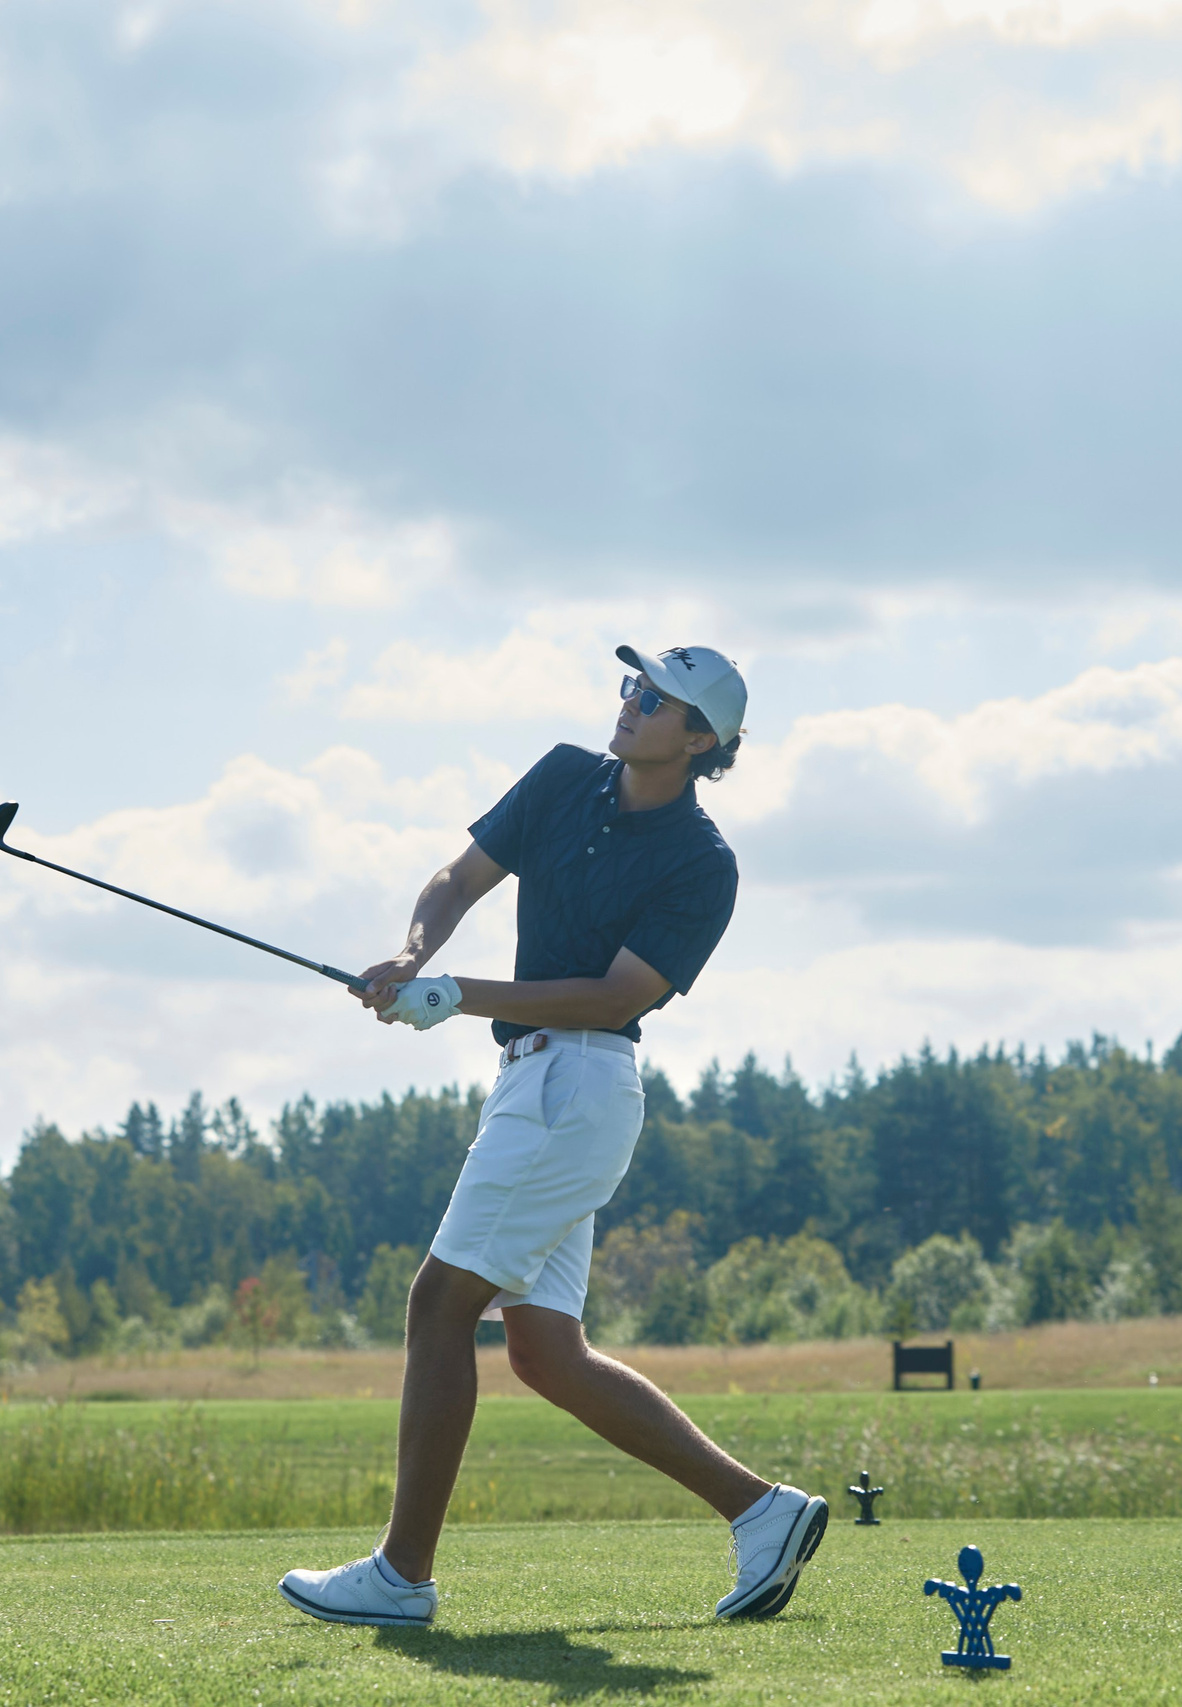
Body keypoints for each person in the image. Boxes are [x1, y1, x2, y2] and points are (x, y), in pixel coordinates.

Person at [277, 644, 828, 1629]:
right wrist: (415, 953)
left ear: (700, 740)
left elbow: (619, 994)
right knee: (544, 1352)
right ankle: (761, 1510)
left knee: (439, 1306)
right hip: (531, 1084)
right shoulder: (563, 775)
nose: (630, 703)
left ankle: (401, 1577)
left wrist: (456, 996)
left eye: (656, 699)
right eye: (631, 686)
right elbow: (461, 873)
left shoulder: (701, 863)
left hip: (578, 1086)